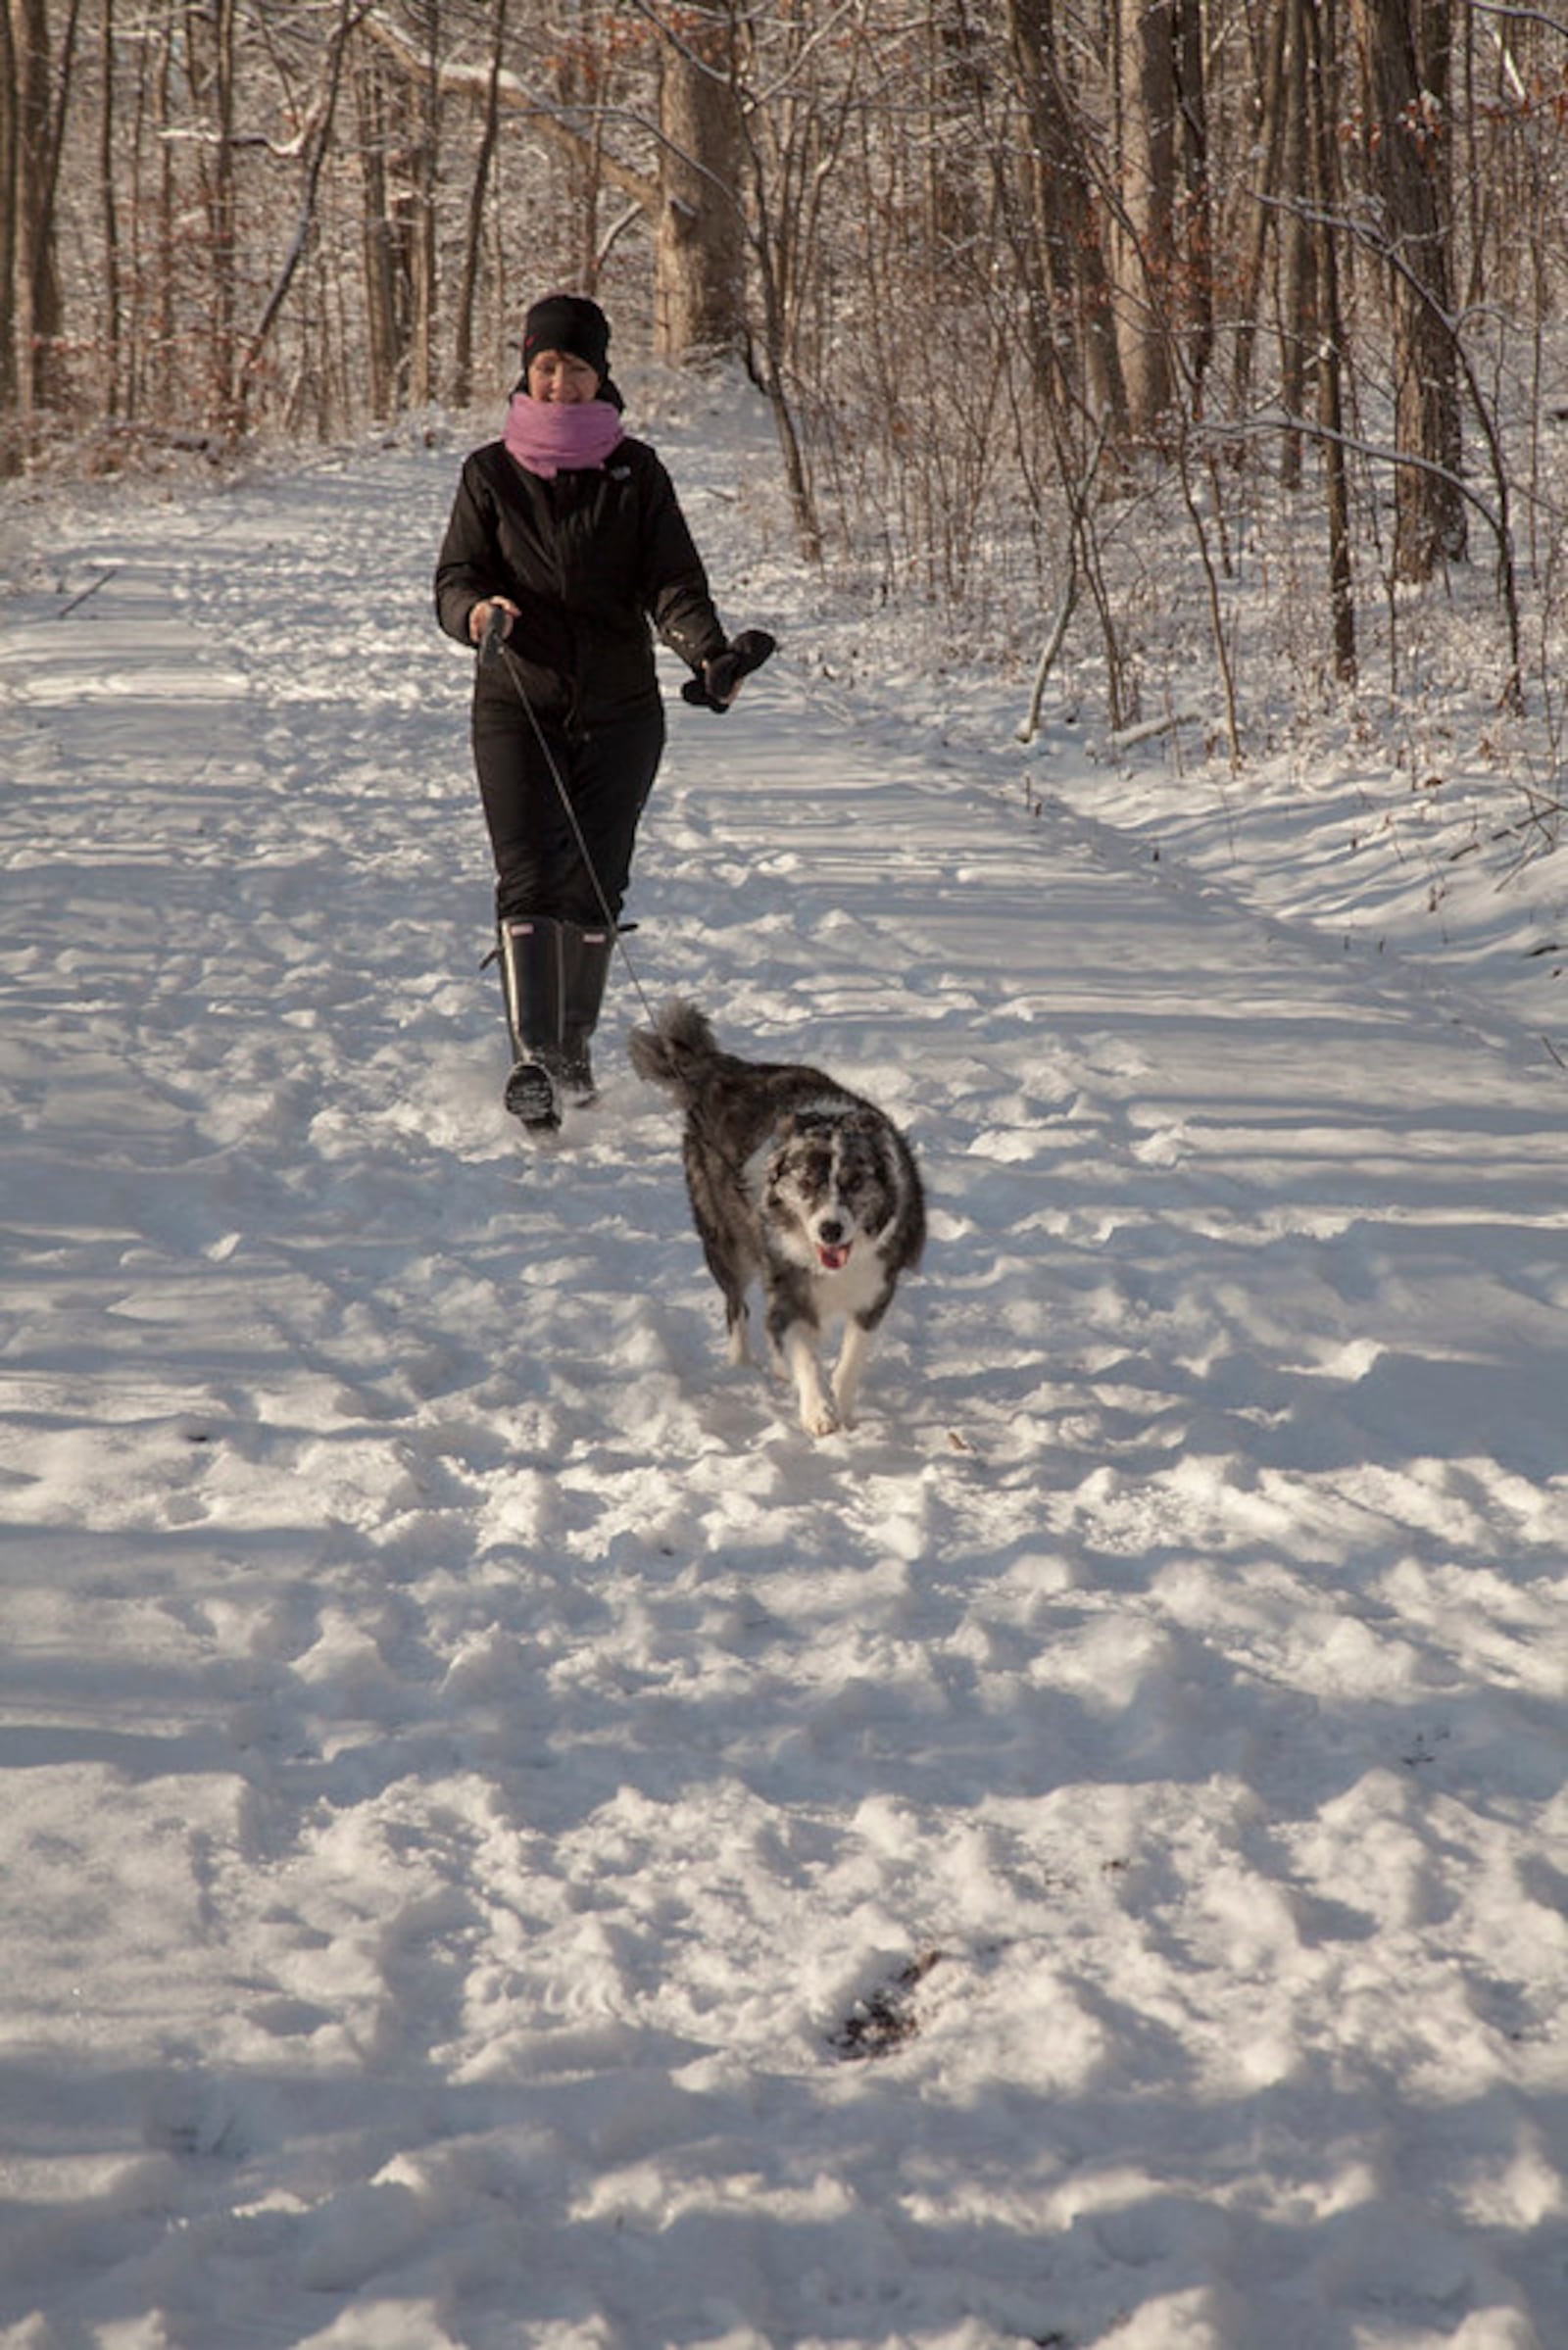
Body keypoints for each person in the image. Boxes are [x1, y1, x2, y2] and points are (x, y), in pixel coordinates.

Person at [434, 291, 761, 1135]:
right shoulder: (489, 474)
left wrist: (708, 654)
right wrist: (477, 615)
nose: (559, 380)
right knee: (528, 879)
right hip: (517, 704)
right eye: (546, 364)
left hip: (620, 711)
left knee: (593, 885)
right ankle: (534, 1061)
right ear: (526, 369)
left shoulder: (637, 472)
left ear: (599, 374)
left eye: (576, 366)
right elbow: (455, 579)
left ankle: (571, 1058)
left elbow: (673, 584)